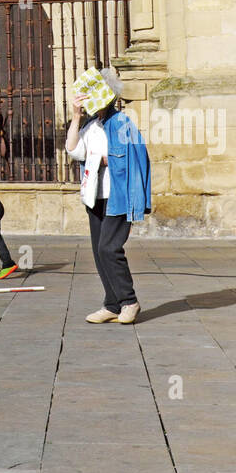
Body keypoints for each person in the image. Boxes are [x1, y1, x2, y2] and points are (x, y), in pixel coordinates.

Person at [64, 66, 151, 324]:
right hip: (96, 196)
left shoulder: (122, 122)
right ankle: (112, 304)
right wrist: (76, 117)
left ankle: (129, 301)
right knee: (98, 251)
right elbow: (73, 149)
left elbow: (136, 159)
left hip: (119, 195)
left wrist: (106, 159)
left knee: (109, 248)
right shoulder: (92, 125)